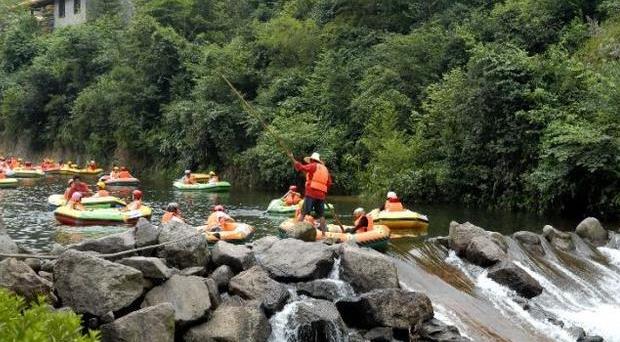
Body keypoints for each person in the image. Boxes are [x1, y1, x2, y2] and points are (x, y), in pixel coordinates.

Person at [288, 152, 332, 232]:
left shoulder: (313, 165)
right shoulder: (325, 169)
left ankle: (295, 230)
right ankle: (324, 234)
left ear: (312, 160)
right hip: (321, 195)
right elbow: (329, 183)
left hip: (311, 193)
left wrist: (292, 158)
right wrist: (323, 192)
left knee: (303, 212)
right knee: (321, 215)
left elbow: (301, 167)